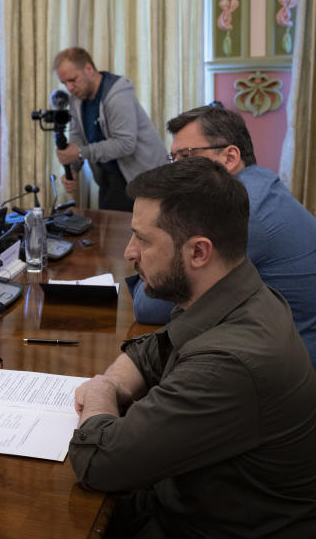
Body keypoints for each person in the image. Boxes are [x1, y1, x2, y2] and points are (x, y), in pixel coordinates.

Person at [69, 158, 316, 538]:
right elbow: (149, 352)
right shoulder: (242, 295)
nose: (129, 253)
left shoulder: (230, 362)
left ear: (199, 253)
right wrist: (115, 383)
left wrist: (102, 389)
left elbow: (98, 462)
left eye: (143, 239)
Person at [128, 105, 316, 365]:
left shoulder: (243, 211)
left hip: (289, 369)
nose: (175, 169)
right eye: (174, 159)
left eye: (187, 156)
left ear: (229, 157)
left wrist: (151, 246)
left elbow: (149, 308)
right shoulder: (259, 186)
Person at [52, 47, 167, 211]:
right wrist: (74, 168)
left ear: (89, 69)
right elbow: (76, 137)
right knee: (104, 230)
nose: (69, 88)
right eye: (64, 83)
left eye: (73, 80)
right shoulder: (77, 99)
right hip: (109, 177)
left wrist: (79, 153)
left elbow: (126, 144)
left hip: (141, 178)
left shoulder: (117, 95)